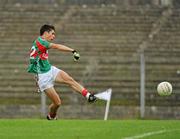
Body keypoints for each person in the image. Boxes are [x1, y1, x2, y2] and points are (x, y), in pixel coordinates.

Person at [27, 24, 97, 120]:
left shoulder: (40, 41)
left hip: (50, 69)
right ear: (46, 33)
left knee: (69, 79)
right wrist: (73, 51)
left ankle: (88, 96)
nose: (53, 36)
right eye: (52, 34)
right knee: (57, 103)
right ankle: (51, 116)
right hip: (43, 76)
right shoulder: (41, 42)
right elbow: (57, 46)